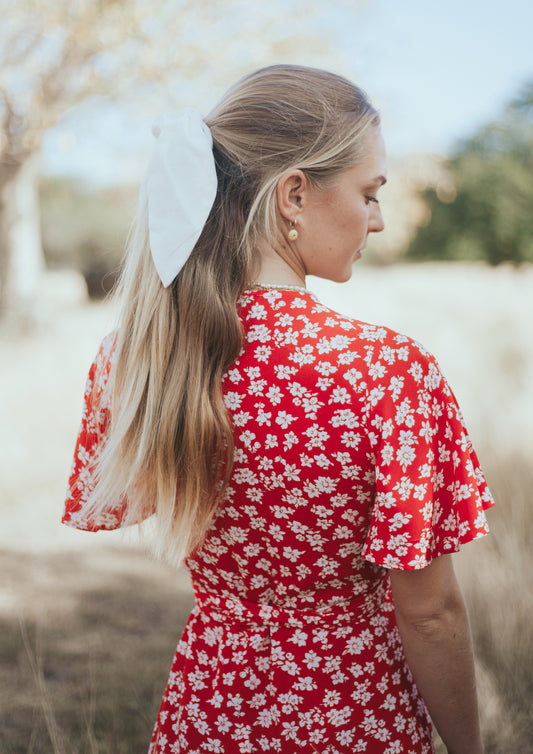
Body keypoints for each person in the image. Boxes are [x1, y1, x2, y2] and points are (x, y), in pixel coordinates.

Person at [62, 64, 494, 754]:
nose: (377, 220)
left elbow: (123, 505)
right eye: (369, 192)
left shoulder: (140, 356)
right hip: (354, 712)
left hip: (210, 710)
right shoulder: (385, 370)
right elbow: (431, 612)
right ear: (293, 194)